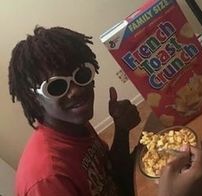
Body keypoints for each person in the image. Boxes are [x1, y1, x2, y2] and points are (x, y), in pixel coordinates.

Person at [8, 26, 141, 196]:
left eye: (81, 75)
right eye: (56, 86)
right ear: (34, 98)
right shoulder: (46, 179)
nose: (76, 90)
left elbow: (109, 176)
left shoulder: (72, 124)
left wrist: (121, 130)